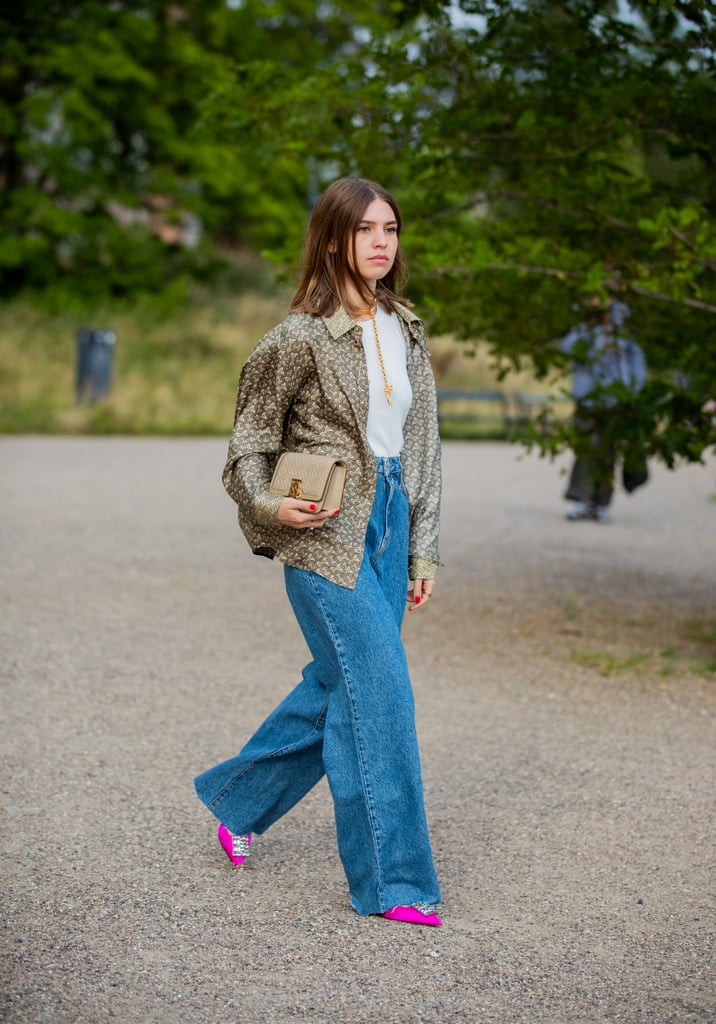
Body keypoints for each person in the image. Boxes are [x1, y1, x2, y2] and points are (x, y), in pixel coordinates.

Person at [193, 178, 443, 927]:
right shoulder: (297, 337)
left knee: (345, 686)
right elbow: (247, 450)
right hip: (325, 529)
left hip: (391, 520)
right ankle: (395, 883)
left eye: (390, 229)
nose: (381, 242)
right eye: (365, 229)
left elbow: (424, 448)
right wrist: (274, 506)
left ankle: (238, 802)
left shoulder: (409, 327)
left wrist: (422, 551)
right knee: (383, 696)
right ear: (333, 239)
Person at [561, 299, 648, 523]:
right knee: (586, 449)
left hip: (615, 400)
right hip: (587, 398)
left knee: (608, 452)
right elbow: (567, 349)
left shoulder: (625, 338)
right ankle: (582, 499)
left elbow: (638, 367)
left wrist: (631, 393)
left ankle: (601, 503)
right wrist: (587, 325)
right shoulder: (584, 334)